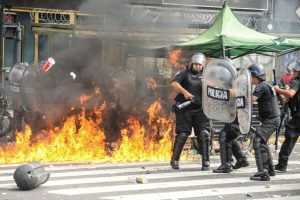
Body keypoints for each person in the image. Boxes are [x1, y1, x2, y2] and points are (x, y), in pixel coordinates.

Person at [170, 53, 210, 170]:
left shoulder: (207, 76)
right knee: (183, 134)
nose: (198, 66)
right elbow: (174, 83)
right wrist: (185, 93)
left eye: (200, 65)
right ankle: (175, 159)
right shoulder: (184, 74)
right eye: (196, 64)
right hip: (185, 109)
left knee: (204, 134)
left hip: (201, 110)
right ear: (192, 64)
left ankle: (206, 160)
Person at [248, 64, 280, 181]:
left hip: (271, 119)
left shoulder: (260, 86)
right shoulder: (266, 85)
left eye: (250, 76)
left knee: (258, 140)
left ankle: (263, 172)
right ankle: (270, 170)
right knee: (263, 141)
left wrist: (238, 99)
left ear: (254, 76)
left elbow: (251, 100)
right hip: (272, 118)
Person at [273, 61, 300, 172]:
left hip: (298, 116)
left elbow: (290, 94)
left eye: (295, 71)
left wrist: (277, 89)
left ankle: (281, 165)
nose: (293, 73)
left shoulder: (296, 81)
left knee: (290, 138)